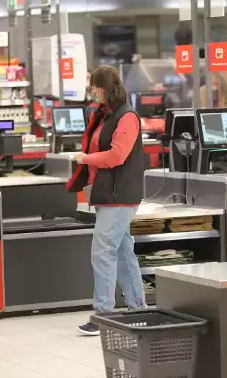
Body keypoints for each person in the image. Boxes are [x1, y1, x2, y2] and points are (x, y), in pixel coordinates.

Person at [66, 65, 147, 336]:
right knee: (122, 252)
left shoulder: (127, 117)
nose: (92, 94)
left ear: (104, 88)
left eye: (94, 88)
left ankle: (104, 315)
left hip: (119, 196)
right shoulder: (103, 115)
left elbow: (116, 156)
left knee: (102, 252)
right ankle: (139, 309)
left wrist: (84, 158)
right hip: (108, 194)